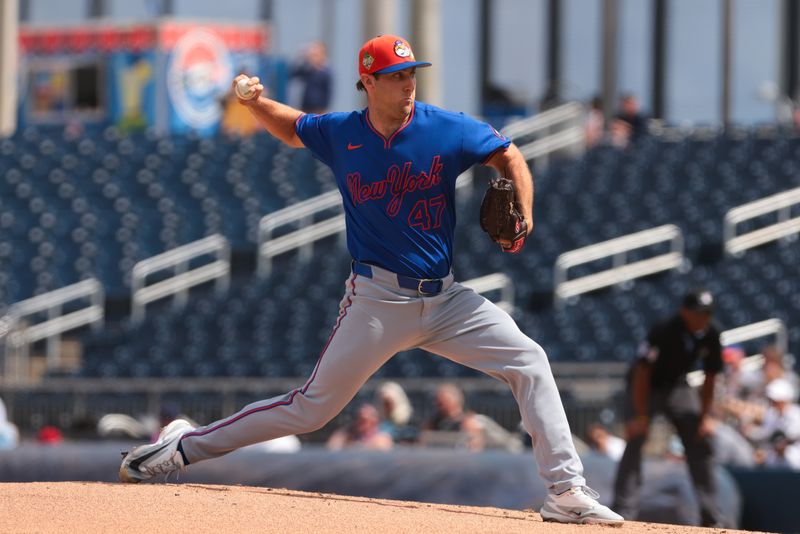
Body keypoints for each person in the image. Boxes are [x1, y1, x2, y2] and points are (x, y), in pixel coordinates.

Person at [119, 34, 623, 526]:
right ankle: (183, 448)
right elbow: (293, 127)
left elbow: (508, 153)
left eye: (411, 74)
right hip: (378, 300)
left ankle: (565, 491)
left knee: (529, 359)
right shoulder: (343, 133)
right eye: (396, 76)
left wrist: (526, 212)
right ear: (368, 81)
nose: (408, 85)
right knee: (311, 410)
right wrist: (255, 102)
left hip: (446, 300)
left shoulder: (445, 128)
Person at [613, 289, 725, 527]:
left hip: (678, 386)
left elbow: (711, 376)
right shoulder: (664, 329)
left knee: (699, 442)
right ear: (685, 311)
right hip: (647, 385)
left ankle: (711, 517)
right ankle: (622, 511)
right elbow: (642, 372)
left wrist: (705, 416)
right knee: (636, 437)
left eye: (707, 313)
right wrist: (640, 416)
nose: (703, 318)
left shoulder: (711, 333)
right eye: (698, 313)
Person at [326, 403, 393, 451]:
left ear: (374, 421)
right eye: (357, 418)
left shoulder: (382, 438)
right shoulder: (345, 435)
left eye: (364, 420)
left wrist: (357, 446)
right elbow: (332, 448)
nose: (359, 422)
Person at [290, 41, 333, 114]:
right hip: (305, 108)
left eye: (316, 55)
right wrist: (301, 58)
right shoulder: (307, 70)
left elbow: (328, 93)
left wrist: (324, 109)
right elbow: (293, 73)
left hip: (319, 110)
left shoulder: (326, 73)